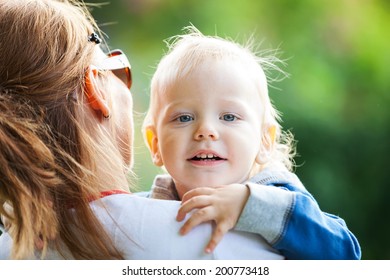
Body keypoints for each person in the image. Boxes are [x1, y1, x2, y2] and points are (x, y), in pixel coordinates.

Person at [0, 0, 289, 260]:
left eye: (229, 116)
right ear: (95, 89)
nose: (206, 132)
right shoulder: (220, 242)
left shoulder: (12, 249)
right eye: (119, 70)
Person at [141, 26, 362, 259]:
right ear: (155, 144)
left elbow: (345, 254)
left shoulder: (279, 198)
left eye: (229, 117)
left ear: (265, 141)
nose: (205, 131)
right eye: (184, 118)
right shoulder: (143, 209)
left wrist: (250, 205)